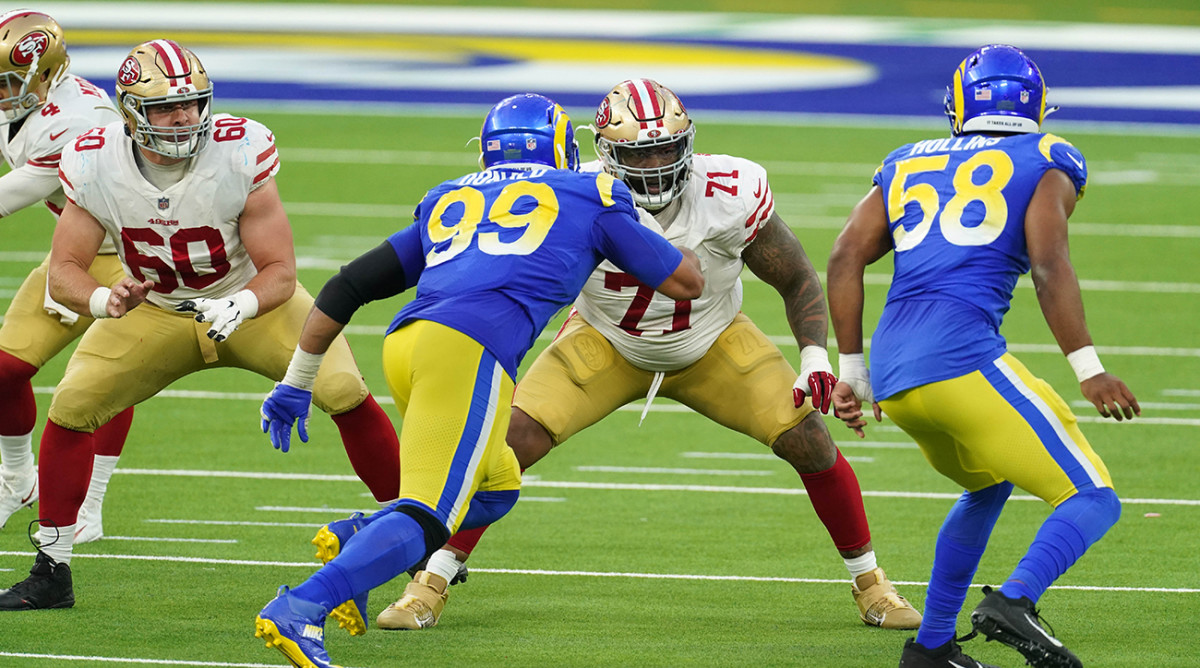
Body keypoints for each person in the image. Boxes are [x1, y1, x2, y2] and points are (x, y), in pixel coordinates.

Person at [368, 78, 922, 632]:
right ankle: (431, 579)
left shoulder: (730, 190)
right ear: (606, 153)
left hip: (714, 339)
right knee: (504, 447)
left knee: (810, 440)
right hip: (604, 340)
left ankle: (871, 582)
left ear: (688, 142)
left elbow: (796, 275)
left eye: (666, 149)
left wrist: (815, 358)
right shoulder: (574, 192)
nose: (656, 165)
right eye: (639, 153)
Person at [252, 92, 704, 667]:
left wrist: (297, 380)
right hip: (469, 351)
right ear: (562, 147)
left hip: (407, 345)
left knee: (496, 488)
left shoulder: (451, 196)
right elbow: (685, 282)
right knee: (427, 516)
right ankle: (300, 606)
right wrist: (648, 227)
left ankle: (360, 537)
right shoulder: (592, 193)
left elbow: (348, 285)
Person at [0, 38, 402, 611]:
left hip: (250, 304)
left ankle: (417, 533)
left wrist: (241, 304)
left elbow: (281, 272)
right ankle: (51, 568)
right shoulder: (93, 161)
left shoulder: (239, 149)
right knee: (72, 406)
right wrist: (103, 300)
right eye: (165, 107)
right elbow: (64, 269)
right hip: (157, 310)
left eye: (191, 102)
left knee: (343, 389)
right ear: (131, 112)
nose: (184, 116)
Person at [826, 45, 1139, 668]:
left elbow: (843, 257)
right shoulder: (1048, 156)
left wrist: (852, 373)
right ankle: (1015, 601)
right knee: (1092, 496)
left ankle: (932, 647)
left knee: (986, 486)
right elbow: (1048, 263)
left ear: (959, 106)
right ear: (1037, 106)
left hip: (894, 374)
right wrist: (1089, 368)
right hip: (960, 359)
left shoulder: (906, 159)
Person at [0, 9, 132, 543]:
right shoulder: (24, 103)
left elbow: (8, 196)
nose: (1, 92)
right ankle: (17, 480)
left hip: (133, 256)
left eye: (8, 82)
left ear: (45, 73)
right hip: (75, 252)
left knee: (109, 381)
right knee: (5, 371)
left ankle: (91, 504)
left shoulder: (78, 120)